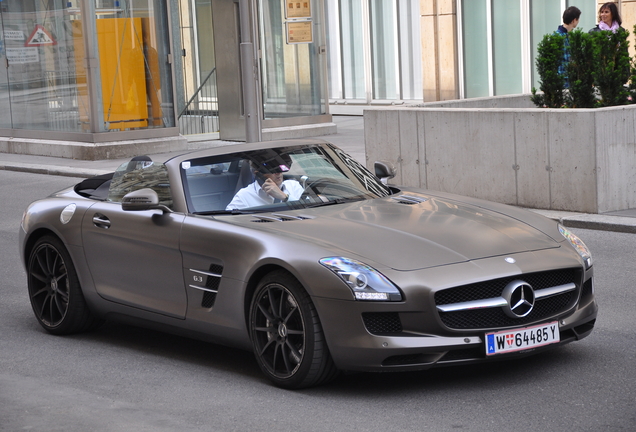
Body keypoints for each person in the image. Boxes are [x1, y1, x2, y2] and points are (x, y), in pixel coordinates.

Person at [226, 157, 304, 210]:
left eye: (280, 168)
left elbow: (308, 209)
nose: (279, 172)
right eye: (272, 170)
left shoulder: (293, 186)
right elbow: (228, 220)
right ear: (258, 174)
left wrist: (284, 197)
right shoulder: (245, 195)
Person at [555, 6, 581, 87]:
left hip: (571, 78)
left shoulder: (570, 36)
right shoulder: (557, 37)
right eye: (578, 19)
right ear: (574, 20)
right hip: (562, 79)